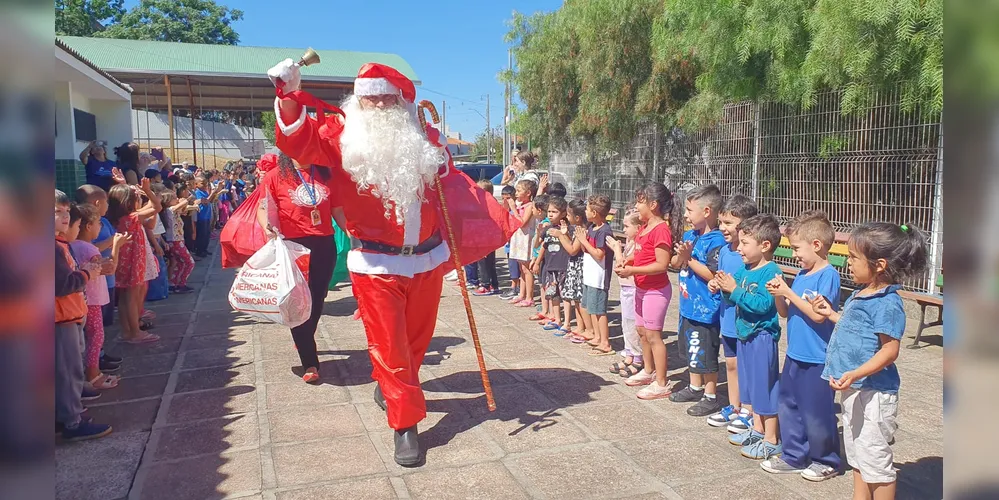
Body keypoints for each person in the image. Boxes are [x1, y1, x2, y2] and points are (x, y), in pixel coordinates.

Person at [270, 60, 498, 466]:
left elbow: (448, 186)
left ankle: (391, 387)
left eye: (384, 97)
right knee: (391, 347)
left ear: (401, 101)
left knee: (416, 342)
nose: (376, 104)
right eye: (368, 97)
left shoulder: (424, 136)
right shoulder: (339, 136)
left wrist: (440, 155)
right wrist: (288, 95)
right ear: (356, 100)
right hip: (375, 264)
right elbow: (298, 143)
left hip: (427, 259)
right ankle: (404, 425)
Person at [809, 222, 928, 499]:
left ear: (879, 264)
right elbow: (857, 330)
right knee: (858, 453)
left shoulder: (888, 303)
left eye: (853, 258)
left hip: (873, 393)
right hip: (854, 387)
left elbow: (889, 351)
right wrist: (831, 313)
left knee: (875, 460)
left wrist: (855, 372)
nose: (847, 262)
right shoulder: (861, 294)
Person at [761, 210, 842, 480]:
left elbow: (819, 315)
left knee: (817, 410)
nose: (794, 254)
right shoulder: (802, 274)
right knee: (789, 405)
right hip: (795, 354)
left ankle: (825, 458)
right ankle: (794, 455)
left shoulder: (827, 276)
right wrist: (778, 295)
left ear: (816, 245)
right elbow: (786, 313)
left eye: (797, 248)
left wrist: (788, 292)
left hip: (817, 357)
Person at [256, 155, 342, 385]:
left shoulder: (324, 174)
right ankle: (309, 361)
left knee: (318, 297)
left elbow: (337, 209)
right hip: (293, 246)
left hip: (324, 244)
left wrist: (356, 234)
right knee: (298, 300)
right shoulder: (276, 176)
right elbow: (262, 207)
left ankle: (304, 335)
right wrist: (267, 227)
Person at [711, 214, 783, 460]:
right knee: (750, 387)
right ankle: (757, 428)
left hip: (762, 336)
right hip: (745, 335)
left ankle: (772, 438)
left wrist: (735, 289)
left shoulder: (771, 272)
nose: (739, 249)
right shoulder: (746, 269)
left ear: (765, 246)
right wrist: (722, 288)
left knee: (765, 387)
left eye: (744, 244)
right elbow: (734, 297)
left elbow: (763, 305)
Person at [55, 190, 112, 441]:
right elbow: (63, 284)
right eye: (57, 211)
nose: (65, 216)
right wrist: (88, 273)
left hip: (69, 316)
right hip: (61, 318)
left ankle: (67, 411)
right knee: (67, 371)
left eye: (67, 211)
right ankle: (72, 422)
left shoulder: (60, 245)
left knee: (70, 369)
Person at [670, 185, 727, 417]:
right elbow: (675, 263)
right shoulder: (689, 236)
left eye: (689, 210)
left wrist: (689, 259)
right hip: (688, 305)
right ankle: (694, 386)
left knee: (706, 353)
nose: (685, 214)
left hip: (706, 309)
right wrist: (681, 258)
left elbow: (713, 275)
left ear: (706, 211)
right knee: (691, 349)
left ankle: (711, 395)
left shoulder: (717, 241)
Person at [616, 183, 675, 399]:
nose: (637, 206)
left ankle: (662, 382)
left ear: (653, 204)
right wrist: (627, 261)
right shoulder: (645, 227)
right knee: (641, 332)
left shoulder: (660, 230)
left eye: (640, 201)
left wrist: (632, 269)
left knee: (653, 335)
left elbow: (661, 264)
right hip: (642, 287)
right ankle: (648, 371)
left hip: (656, 290)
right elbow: (642, 254)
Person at [705, 194, 758, 432]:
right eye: (722, 222)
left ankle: (749, 409)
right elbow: (722, 277)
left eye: (729, 223)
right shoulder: (725, 251)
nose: (723, 228)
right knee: (731, 364)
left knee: (746, 365)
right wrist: (714, 283)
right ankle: (734, 406)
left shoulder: (750, 256)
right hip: (727, 318)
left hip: (744, 320)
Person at [70, 203, 128, 390]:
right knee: (96, 336)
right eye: (98, 224)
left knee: (84, 339)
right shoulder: (89, 249)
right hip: (93, 299)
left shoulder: (73, 246)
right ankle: (93, 375)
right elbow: (110, 267)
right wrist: (116, 246)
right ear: (88, 226)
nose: (100, 227)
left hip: (81, 300)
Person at [107, 180, 161, 344]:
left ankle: (127, 331)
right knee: (131, 296)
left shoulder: (119, 218)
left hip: (123, 262)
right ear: (129, 202)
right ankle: (135, 332)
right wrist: (148, 191)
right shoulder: (133, 217)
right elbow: (157, 207)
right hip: (133, 262)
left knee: (124, 297)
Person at [576, 194, 615, 354]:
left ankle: (605, 342)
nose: (585, 212)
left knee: (599, 310)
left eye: (587, 209)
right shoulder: (592, 228)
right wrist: (583, 239)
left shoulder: (604, 231)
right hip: (590, 274)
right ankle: (597, 337)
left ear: (595, 213)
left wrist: (583, 241)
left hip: (599, 277)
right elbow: (587, 250)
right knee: (590, 307)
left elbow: (599, 254)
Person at [606, 211, 642, 376]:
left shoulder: (638, 246)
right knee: (626, 324)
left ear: (639, 228)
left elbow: (621, 263)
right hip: (625, 288)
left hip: (634, 288)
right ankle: (629, 354)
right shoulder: (630, 242)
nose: (624, 229)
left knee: (633, 325)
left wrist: (616, 249)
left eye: (627, 226)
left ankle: (637, 358)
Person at [534, 197, 576, 336]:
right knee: (553, 294)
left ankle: (567, 323)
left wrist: (564, 234)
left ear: (563, 213)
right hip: (550, 267)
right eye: (549, 211)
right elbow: (542, 246)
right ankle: (557, 319)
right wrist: (537, 262)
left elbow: (571, 246)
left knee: (566, 295)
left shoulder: (569, 229)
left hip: (563, 266)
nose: (550, 214)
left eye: (554, 211)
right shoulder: (548, 229)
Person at [506, 179, 538, 307]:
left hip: (526, 237)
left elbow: (523, 222)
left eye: (519, 190)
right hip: (518, 237)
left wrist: (513, 208)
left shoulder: (530, 206)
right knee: (521, 268)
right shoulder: (521, 205)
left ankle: (529, 297)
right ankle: (521, 294)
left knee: (527, 268)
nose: (517, 193)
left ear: (528, 193)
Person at [561, 199, 588, 341]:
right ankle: (579, 327)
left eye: (569, 215)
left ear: (577, 217)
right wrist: (565, 234)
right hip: (574, 266)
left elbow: (572, 250)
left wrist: (560, 236)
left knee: (579, 299)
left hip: (580, 267)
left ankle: (583, 327)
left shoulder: (581, 230)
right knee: (576, 299)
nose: (567, 217)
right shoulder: (576, 229)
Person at [163, 190, 196, 293]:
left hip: (177, 240)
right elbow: (183, 204)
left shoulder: (174, 210)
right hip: (175, 241)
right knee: (190, 262)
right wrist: (185, 200)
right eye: (174, 198)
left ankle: (174, 283)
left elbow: (185, 209)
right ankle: (181, 284)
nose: (177, 199)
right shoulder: (169, 210)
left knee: (180, 263)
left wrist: (193, 205)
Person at [472, 180, 502, 296]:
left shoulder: (488, 203)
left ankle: (486, 285)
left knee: (484, 262)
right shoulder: (485, 203)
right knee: (489, 262)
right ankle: (494, 284)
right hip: (485, 236)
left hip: (486, 237)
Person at [498, 185, 521, 299]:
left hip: (518, 243)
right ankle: (514, 286)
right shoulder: (505, 210)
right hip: (509, 244)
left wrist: (513, 208)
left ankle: (516, 287)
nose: (506, 201)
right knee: (511, 265)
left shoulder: (517, 210)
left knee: (517, 265)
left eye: (508, 198)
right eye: (503, 198)